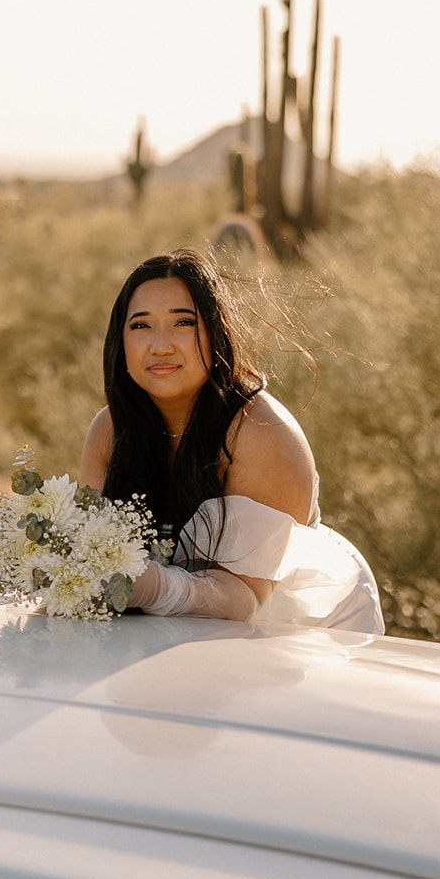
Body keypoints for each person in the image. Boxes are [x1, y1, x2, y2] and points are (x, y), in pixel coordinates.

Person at [78, 249, 382, 632]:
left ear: (216, 332)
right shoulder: (109, 430)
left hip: (301, 627)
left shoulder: (262, 434)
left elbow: (245, 599)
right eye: (140, 326)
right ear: (119, 342)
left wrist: (145, 586)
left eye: (183, 323)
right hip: (178, 631)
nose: (160, 345)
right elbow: (86, 547)